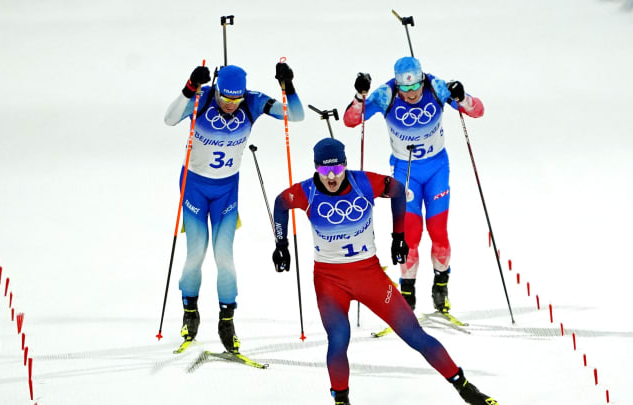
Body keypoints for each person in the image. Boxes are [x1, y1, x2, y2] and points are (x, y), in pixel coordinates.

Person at [271, 138, 498, 405]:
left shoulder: (363, 182)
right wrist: (281, 244)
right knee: (339, 337)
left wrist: (398, 236)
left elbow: (398, 190)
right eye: (323, 171)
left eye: (336, 169)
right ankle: (341, 400)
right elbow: (280, 202)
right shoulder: (307, 191)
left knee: (413, 333)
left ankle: (465, 388)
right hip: (329, 281)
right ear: (315, 169)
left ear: (345, 165)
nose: (331, 177)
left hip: (370, 276)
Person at [164, 61, 304, 353]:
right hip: (194, 187)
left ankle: (227, 321)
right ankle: (190, 311)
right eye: (225, 99)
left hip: (227, 191)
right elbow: (170, 119)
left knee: (224, 257)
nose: (230, 105)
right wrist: (190, 87)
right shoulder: (202, 98)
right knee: (196, 254)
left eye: (235, 100)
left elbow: (296, 116)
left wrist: (288, 87)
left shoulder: (252, 102)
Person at [343, 56, 485, 315]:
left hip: (436, 170)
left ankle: (441, 287)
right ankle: (407, 294)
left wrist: (462, 97)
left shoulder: (436, 87)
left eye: (414, 87)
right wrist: (359, 95)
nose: (410, 94)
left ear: (421, 79)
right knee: (410, 237)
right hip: (405, 172)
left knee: (439, 233)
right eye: (404, 89)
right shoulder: (387, 94)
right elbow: (351, 120)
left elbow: (477, 111)